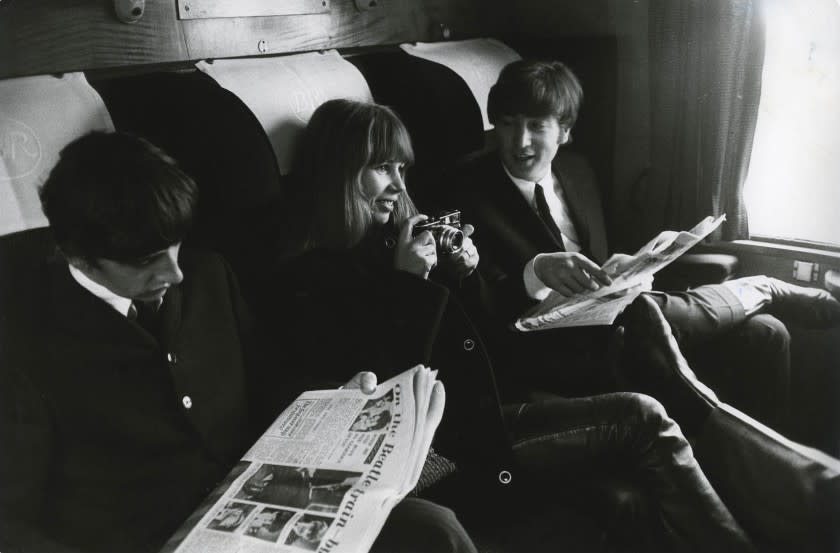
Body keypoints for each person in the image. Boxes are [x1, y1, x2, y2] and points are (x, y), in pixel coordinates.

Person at [266, 98, 823, 551]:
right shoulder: (310, 278)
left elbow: (481, 339)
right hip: (446, 443)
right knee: (642, 415)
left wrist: (464, 278)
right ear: (341, 171)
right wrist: (412, 286)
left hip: (487, 405)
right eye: (379, 168)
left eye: (401, 169)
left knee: (664, 375)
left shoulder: (394, 244)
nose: (395, 183)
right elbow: (379, 394)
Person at [0, 131, 478, 553]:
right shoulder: (24, 342)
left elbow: (266, 380)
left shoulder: (209, 276)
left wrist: (338, 398)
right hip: (148, 539)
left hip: (262, 503)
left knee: (434, 530)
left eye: (175, 246)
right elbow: (13, 522)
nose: (175, 272)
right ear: (78, 256)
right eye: (147, 260)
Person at [452, 58, 840, 430]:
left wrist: (625, 267)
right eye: (507, 124)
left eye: (536, 126)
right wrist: (535, 272)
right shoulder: (466, 190)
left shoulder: (577, 171)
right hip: (552, 348)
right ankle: (760, 287)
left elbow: (597, 261)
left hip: (610, 320)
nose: (520, 141)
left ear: (565, 131)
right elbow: (476, 303)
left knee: (768, 333)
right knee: (645, 319)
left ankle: (763, 481)